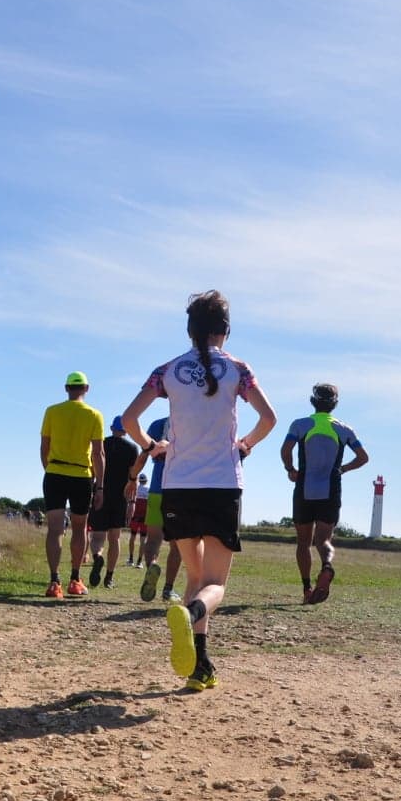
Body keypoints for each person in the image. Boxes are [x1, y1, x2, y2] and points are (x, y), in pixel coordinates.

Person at [121, 290, 277, 692]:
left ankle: (199, 667)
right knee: (215, 586)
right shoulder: (238, 369)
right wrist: (245, 445)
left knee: (194, 575)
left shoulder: (167, 370)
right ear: (225, 330)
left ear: (190, 330)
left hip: (178, 486)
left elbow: (130, 417)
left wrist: (151, 446)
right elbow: (268, 418)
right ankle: (189, 617)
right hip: (222, 484)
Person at [281, 382, 369, 604]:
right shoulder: (344, 429)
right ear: (335, 404)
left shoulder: (300, 424)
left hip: (304, 489)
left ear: (313, 402)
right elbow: (363, 457)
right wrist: (343, 469)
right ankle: (327, 567)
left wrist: (291, 470)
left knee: (303, 543)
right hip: (330, 490)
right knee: (324, 541)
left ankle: (307, 588)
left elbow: (285, 450)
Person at [40, 372, 105, 597]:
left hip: (55, 473)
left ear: (66, 388)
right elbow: (99, 453)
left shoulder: (52, 411)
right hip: (81, 476)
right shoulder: (94, 415)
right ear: (86, 388)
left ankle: (54, 581)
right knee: (79, 528)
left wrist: (49, 470)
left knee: (55, 529)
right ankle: (75, 579)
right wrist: (100, 486)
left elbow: (44, 447)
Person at [87, 416, 143, 589]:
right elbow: (133, 477)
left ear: (111, 428)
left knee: (97, 537)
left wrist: (93, 491)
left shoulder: (100, 444)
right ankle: (109, 577)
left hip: (101, 493)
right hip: (121, 497)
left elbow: (93, 470)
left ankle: (97, 557)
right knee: (115, 538)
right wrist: (132, 502)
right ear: (126, 430)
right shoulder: (132, 448)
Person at [138, 414, 183, 602]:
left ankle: (151, 567)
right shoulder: (192, 421)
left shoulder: (157, 424)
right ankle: (168, 588)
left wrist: (133, 478)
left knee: (153, 538)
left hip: (156, 487)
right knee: (178, 544)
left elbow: (144, 454)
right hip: (181, 489)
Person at [125, 473, 150, 567]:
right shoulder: (149, 490)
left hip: (135, 517)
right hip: (145, 517)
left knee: (132, 536)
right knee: (143, 539)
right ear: (146, 481)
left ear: (139, 481)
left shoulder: (136, 489)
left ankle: (131, 559)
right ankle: (139, 562)